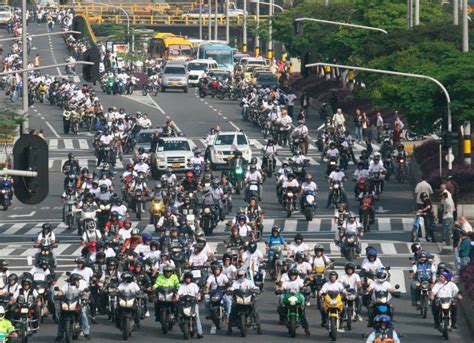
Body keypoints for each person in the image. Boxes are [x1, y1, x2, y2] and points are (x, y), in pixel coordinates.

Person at [55, 274, 90, 341]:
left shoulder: (81, 286)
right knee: (62, 317)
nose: (78, 282)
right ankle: (60, 335)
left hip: (77, 304)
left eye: (78, 281)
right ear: (73, 281)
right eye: (77, 280)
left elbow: (85, 292)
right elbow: (61, 291)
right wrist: (59, 293)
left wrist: (84, 294)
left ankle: (86, 333)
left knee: (83, 315)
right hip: (68, 303)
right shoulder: (67, 285)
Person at [177, 272, 204, 338]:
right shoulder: (182, 286)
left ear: (191, 279)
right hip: (184, 303)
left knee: (196, 316)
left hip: (193, 303)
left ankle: (199, 332)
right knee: (179, 315)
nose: (188, 279)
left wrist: (198, 296)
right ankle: (182, 327)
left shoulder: (194, 285)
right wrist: (177, 297)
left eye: (189, 278)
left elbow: (198, 293)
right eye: (186, 278)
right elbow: (178, 293)